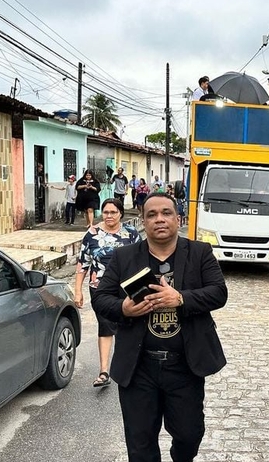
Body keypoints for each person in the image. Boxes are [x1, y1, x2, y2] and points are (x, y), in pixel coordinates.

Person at [92, 193, 228, 462]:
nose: (159, 219)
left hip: (185, 366)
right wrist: (123, 309)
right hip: (139, 366)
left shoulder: (200, 252)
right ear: (143, 222)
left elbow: (218, 293)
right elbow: (101, 298)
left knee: (189, 435)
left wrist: (180, 298)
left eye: (166, 213)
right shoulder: (124, 257)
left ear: (178, 219)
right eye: (151, 215)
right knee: (140, 443)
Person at [75, 199, 141, 387]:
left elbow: (142, 259)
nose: (109, 216)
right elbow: (83, 264)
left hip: (127, 288)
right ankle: (104, 371)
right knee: (105, 326)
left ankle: (126, 367)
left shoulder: (131, 234)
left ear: (121, 213)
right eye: (105, 212)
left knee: (126, 326)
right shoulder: (92, 234)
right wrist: (78, 291)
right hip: (100, 289)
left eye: (113, 212)